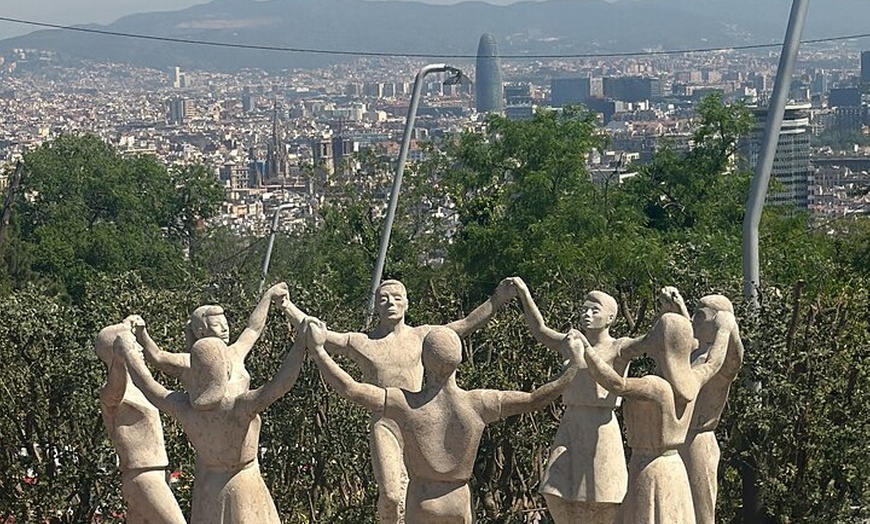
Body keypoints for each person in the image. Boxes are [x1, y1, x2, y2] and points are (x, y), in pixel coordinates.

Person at [279, 278, 514, 523]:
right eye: (383, 299)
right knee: (392, 495)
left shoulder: (422, 335)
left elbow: (465, 324)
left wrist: (498, 298)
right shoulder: (362, 342)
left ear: (406, 304)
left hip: (419, 421)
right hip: (386, 424)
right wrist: (287, 306)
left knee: (423, 488)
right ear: (376, 307)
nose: (390, 303)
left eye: (396, 298)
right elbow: (321, 335)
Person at [307, 320, 580, 523]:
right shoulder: (478, 403)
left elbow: (352, 389)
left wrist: (319, 350)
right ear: (459, 360)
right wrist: (571, 369)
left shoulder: (404, 403)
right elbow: (534, 398)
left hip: (422, 500)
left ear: (424, 361)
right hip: (458, 501)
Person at [508, 278, 677, 524]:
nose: (586, 315)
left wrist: (671, 312)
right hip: (571, 424)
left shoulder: (618, 347)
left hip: (601, 427)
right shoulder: (571, 342)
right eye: (584, 310)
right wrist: (524, 294)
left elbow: (652, 339)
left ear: (610, 318)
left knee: (603, 499)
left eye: (594, 310)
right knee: (555, 491)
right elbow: (540, 330)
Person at [117, 315, 307, 524]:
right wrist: (300, 344)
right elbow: (280, 384)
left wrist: (127, 350)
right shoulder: (239, 406)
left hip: (210, 488)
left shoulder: (183, 407)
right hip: (243, 486)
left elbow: (148, 385)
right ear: (226, 369)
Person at [578, 306, 735, 524]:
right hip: (675, 469)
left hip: (648, 468)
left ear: (661, 347)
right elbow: (714, 362)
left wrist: (587, 350)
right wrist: (724, 330)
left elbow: (617, 384)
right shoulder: (694, 379)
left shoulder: (655, 386)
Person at [95, 320, 186, 524]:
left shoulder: (141, 389)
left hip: (158, 471)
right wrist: (120, 359)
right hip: (142, 476)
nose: (137, 348)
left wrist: (137, 329)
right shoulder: (111, 394)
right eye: (131, 344)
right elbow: (115, 389)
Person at [134, 283, 289, 396]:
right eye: (216, 325)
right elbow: (158, 356)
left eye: (225, 324)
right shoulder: (191, 362)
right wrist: (142, 333)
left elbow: (253, 329)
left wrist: (268, 296)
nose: (224, 329)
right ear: (201, 332)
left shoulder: (235, 352)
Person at [679, 294, 743, 524]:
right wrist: (678, 306)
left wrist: (728, 329)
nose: (694, 321)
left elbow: (735, 357)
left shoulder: (720, 362)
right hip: (676, 439)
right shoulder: (694, 352)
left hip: (698, 440)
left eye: (700, 316)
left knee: (701, 510)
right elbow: (689, 335)